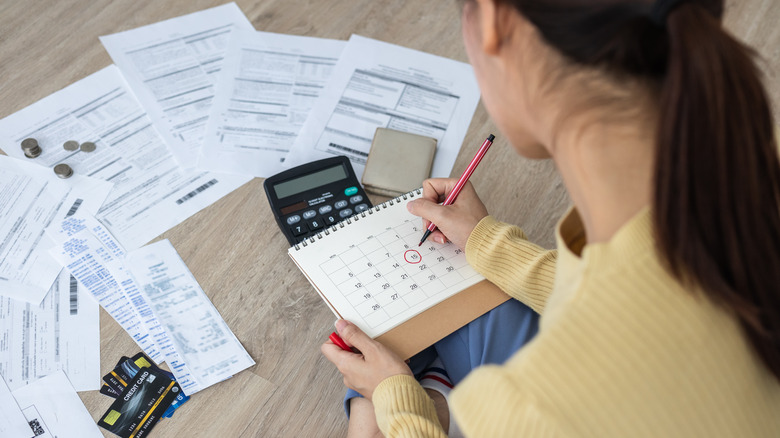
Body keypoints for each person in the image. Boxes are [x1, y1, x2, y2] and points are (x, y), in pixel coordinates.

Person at [321, 0, 780, 436]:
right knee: (459, 292)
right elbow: (618, 298)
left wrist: (396, 400)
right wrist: (488, 242)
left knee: (380, 381)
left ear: (495, 22)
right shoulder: (742, 177)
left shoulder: (532, 410)